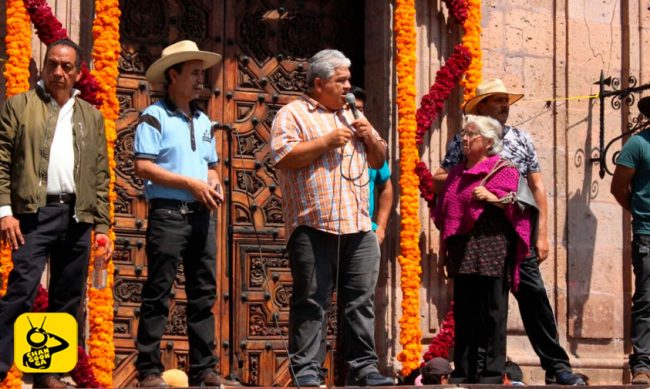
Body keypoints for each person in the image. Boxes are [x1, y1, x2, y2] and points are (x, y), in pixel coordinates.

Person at [433, 78, 587, 385]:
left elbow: (538, 187)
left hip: (517, 227)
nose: (505, 106)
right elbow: (442, 178)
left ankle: (556, 366)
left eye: (506, 100)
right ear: (482, 106)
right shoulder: (461, 140)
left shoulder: (522, 138)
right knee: (478, 305)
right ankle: (476, 371)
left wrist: (541, 234)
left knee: (534, 298)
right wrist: (470, 181)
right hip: (479, 232)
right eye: (498, 100)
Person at [270, 49, 393, 387]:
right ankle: (308, 373)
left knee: (360, 303)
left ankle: (365, 370)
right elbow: (282, 156)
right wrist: (324, 141)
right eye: (341, 81)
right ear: (319, 83)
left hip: (358, 225)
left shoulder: (353, 114)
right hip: (313, 225)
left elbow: (379, 161)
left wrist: (369, 136)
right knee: (312, 301)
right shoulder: (292, 114)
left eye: (349, 81)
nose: (348, 87)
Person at [0, 38, 113, 388]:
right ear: (44, 66)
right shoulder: (19, 106)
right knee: (22, 290)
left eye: (66, 66)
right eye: (52, 64)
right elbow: (2, 160)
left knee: (67, 299)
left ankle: (45, 375)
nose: (58, 71)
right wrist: (5, 212)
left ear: (79, 73)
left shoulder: (91, 117)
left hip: (77, 216)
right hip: (32, 213)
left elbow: (100, 174)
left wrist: (102, 226)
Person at [132, 40, 236, 387]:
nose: (200, 81)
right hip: (168, 214)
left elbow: (210, 167)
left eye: (201, 74)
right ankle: (148, 370)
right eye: (194, 73)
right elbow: (143, 167)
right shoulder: (154, 115)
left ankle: (203, 369)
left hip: (201, 216)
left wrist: (212, 182)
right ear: (173, 75)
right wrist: (190, 184)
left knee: (203, 293)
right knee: (159, 291)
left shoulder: (204, 120)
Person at [433, 114, 533, 383]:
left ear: (488, 142)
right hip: (462, 251)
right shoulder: (456, 173)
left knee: (493, 312)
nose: (464, 139)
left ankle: (491, 373)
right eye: (463, 133)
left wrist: (493, 198)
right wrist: (443, 253)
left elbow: (520, 207)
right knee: (464, 312)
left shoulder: (505, 170)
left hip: (492, 250)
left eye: (471, 134)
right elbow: (446, 214)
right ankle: (464, 371)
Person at [610, 95, 650, 386]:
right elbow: (618, 187)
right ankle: (642, 364)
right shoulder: (637, 144)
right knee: (647, 300)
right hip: (648, 233)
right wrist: (640, 211)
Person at [350, 86, 393, 244]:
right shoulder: (335, 139)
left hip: (366, 230)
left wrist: (380, 227)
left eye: (360, 109)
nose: (356, 114)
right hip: (333, 232)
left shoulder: (371, 145)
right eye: (351, 108)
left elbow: (386, 186)